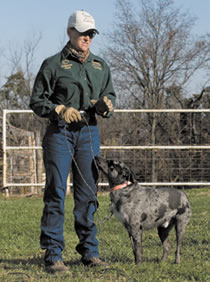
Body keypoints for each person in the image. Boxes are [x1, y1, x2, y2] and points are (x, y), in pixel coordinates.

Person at [29, 10, 116, 273]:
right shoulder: (53, 64)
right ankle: (53, 253)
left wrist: (105, 107)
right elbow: (37, 100)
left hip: (89, 132)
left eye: (91, 33)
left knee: (88, 193)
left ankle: (90, 251)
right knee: (56, 191)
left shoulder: (101, 66)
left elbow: (109, 99)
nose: (88, 37)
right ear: (70, 32)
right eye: (83, 32)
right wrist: (58, 109)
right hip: (60, 132)